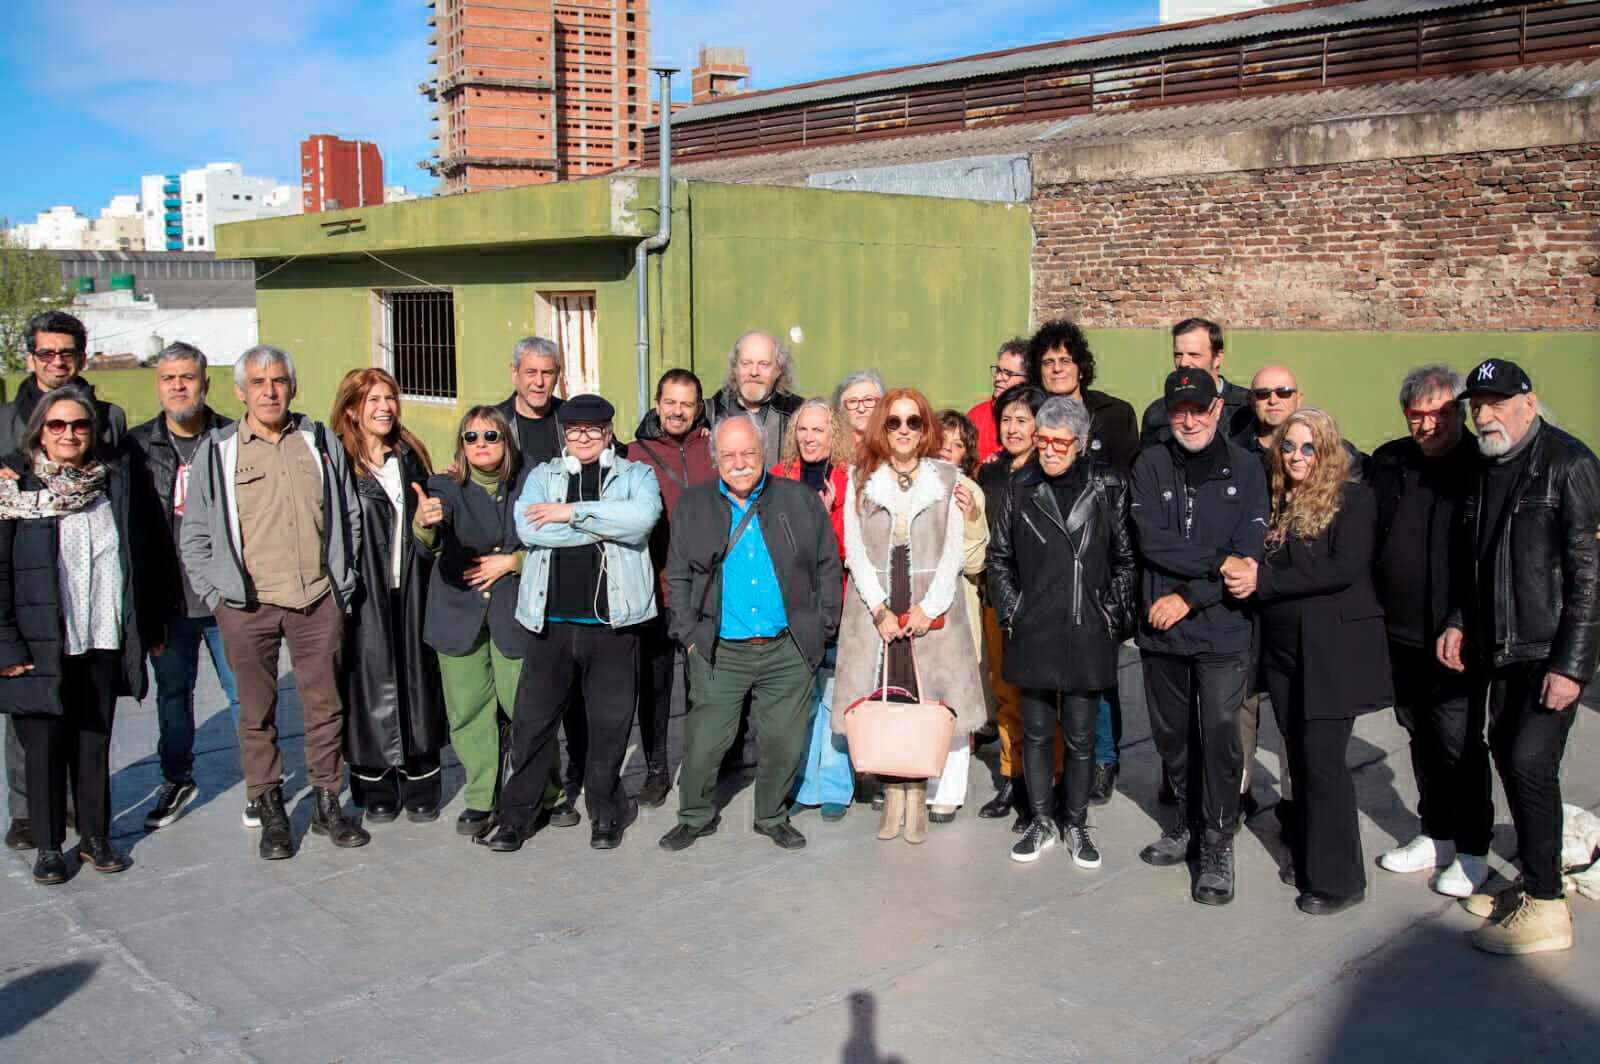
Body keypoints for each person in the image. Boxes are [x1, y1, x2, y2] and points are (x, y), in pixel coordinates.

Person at [179, 345, 369, 860]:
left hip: (316, 600)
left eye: (279, 380)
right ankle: (271, 810)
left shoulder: (318, 441)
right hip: (248, 606)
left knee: (325, 707)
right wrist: (218, 595)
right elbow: (194, 534)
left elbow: (347, 515)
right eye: (258, 382)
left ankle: (329, 803)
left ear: (292, 386)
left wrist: (341, 583)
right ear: (240, 391)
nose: (270, 390)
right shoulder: (217, 452)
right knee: (256, 713)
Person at [1441, 359, 1600, 956]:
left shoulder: (1570, 465)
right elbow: (1477, 558)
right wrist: (1459, 619)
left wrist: (1572, 665)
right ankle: (1537, 881)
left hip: (1549, 650)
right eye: (1478, 403)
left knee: (1530, 762)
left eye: (1499, 403)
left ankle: (1548, 909)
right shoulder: (1487, 466)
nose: (1486, 414)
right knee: (1509, 756)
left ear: (1529, 404)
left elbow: (1591, 577)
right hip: (1500, 647)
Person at [1223, 409, 1391, 915]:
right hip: (1284, 652)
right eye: (1290, 447)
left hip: (1331, 655)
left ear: (1328, 450)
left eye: (1308, 447)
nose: (1297, 457)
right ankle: (1310, 855)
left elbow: (1344, 569)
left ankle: (1340, 880)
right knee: (1300, 756)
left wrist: (1263, 582)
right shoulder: (1276, 499)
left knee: (1322, 763)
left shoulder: (1352, 499)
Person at [486, 395, 662, 853]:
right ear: (564, 433)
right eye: (575, 430)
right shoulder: (543, 476)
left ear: (608, 432)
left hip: (613, 626)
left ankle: (607, 812)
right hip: (551, 625)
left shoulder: (635, 475)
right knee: (530, 726)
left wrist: (570, 513)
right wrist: (603, 521)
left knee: (609, 729)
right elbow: (529, 530)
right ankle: (515, 817)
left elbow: (641, 521)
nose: (583, 437)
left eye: (593, 429)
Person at [660, 415, 842, 852]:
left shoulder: (800, 501)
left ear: (764, 455)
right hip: (719, 648)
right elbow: (678, 575)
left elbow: (827, 567)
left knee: (782, 741)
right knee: (706, 742)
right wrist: (687, 634)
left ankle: (772, 815)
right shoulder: (694, 504)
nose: (740, 463)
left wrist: (823, 626)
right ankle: (695, 815)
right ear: (715, 459)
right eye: (729, 455)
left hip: (787, 648)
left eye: (749, 453)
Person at [0, 385, 157, 883]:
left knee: (94, 742)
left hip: (100, 637)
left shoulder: (110, 482)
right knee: (43, 748)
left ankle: (95, 836)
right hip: (40, 642)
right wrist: (5, 644)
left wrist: (140, 629)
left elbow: (136, 555)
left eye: (80, 424)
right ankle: (49, 846)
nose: (70, 434)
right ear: (40, 431)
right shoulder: (14, 487)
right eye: (58, 425)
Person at [1130, 369, 1268, 905]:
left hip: (1221, 629)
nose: (1187, 418)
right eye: (1177, 409)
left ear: (1216, 409)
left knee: (1217, 735)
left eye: (1197, 407)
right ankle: (1185, 823)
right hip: (1162, 634)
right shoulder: (1151, 462)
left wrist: (1190, 596)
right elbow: (1153, 541)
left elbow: (1248, 550)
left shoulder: (1247, 468)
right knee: (1171, 737)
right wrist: (1214, 564)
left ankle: (1216, 841)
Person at [988, 396, 1135, 868]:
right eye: (1042, 440)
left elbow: (1126, 560)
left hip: (1087, 626)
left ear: (1080, 443)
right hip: (1034, 626)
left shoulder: (1108, 484)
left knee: (1080, 736)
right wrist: (1013, 611)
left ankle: (1075, 823)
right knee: (1033, 732)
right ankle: (1041, 820)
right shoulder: (1020, 484)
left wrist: (1109, 612)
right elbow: (999, 558)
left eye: (1059, 442)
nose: (1049, 450)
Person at [834, 389, 986, 845]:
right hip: (878, 606)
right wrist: (880, 608)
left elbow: (953, 553)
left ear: (925, 429)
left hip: (931, 606)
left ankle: (925, 794)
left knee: (935, 700)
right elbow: (855, 551)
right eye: (895, 422)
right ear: (882, 426)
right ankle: (894, 790)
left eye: (913, 422)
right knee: (887, 698)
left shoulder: (947, 477)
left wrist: (928, 608)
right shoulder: (860, 478)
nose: (903, 430)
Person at [1, 311, 129, 852]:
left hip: (95, 623)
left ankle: (89, 824)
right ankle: (34, 818)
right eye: (46, 353)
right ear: (30, 357)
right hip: (36, 612)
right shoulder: (6, 420)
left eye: (67, 352)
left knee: (89, 729)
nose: (57, 362)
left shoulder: (108, 421)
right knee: (32, 729)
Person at [414, 407, 567, 838]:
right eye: (471, 436)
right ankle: (482, 797)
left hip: (514, 610)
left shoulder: (531, 481)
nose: (480, 443)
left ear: (507, 441)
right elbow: (432, 536)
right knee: (468, 711)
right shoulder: (443, 486)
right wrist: (424, 524)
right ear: (461, 445)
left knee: (528, 708)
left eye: (491, 436)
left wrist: (513, 561)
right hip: (457, 613)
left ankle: (548, 793)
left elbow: (553, 541)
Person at [1368, 365, 1489, 897]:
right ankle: (1435, 832)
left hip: (1455, 635)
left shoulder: (1481, 467)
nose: (1428, 426)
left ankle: (1473, 846)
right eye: (1417, 416)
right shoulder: (1392, 461)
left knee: (1458, 741)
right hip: (1400, 633)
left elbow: (1487, 557)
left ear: (1458, 412)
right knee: (1418, 732)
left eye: (1439, 414)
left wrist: (1463, 620)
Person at [122, 342, 240, 831]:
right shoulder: (135, 446)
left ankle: (262, 784)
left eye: (187, 377)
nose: (177, 386)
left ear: (204, 381)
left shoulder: (234, 437)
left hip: (227, 595)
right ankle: (177, 778)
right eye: (168, 377)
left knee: (245, 695)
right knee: (174, 695)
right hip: (168, 599)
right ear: (158, 384)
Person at [1026, 319, 1139, 804]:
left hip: (1095, 558)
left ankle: (1104, 759)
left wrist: (1116, 592)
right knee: (1048, 678)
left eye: (1064, 360)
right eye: (1048, 361)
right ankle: (1058, 762)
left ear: (1080, 366)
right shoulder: (1027, 411)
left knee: (1096, 673)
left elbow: (1125, 488)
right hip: (1046, 559)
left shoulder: (1113, 415)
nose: (1056, 368)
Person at [329, 369, 448, 823]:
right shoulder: (339, 460)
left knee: (417, 679)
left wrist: (432, 521)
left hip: (412, 582)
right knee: (366, 682)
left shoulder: (410, 454)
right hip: (364, 591)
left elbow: (427, 518)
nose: (384, 407)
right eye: (373, 399)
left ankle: (421, 773)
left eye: (390, 398)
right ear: (352, 410)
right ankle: (374, 777)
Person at [493, 336, 591, 799]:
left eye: (546, 373)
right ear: (514, 373)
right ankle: (521, 777)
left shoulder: (572, 422)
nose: (538, 381)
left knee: (576, 684)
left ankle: (579, 771)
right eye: (530, 372)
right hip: (513, 568)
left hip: (571, 563)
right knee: (526, 685)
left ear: (558, 376)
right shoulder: (493, 423)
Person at [629, 368, 718, 807]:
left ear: (698, 407)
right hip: (654, 588)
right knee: (656, 686)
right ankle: (657, 769)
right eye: (670, 402)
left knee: (706, 684)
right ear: (657, 404)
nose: (677, 411)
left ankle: (706, 765)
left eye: (686, 403)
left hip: (705, 590)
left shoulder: (715, 447)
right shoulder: (634, 453)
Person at [974, 384, 1058, 827]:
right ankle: (1011, 776)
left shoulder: (1053, 473)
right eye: (1006, 420)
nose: (1012, 428)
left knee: (1042, 698)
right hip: (996, 598)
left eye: (1022, 419)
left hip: (1040, 605)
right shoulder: (990, 473)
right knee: (1005, 693)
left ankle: (1046, 784)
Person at [772, 399, 853, 820]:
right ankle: (801, 782)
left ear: (833, 433)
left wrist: (823, 521)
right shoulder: (778, 479)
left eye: (818, 430)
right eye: (802, 429)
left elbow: (849, 551)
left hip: (833, 604)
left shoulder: (850, 481)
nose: (808, 437)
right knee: (796, 700)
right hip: (787, 608)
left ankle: (836, 785)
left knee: (834, 697)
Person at [931, 408, 990, 822]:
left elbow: (975, 564)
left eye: (958, 447)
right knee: (920, 697)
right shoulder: (910, 486)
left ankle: (949, 789)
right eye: (942, 443)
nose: (948, 453)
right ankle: (917, 777)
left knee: (954, 700)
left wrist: (970, 518)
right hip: (916, 610)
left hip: (956, 609)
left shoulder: (971, 491)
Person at [1139, 318, 1254, 448]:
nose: (1183, 363)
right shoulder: (1157, 412)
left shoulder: (1248, 406)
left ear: (1217, 358)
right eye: (1178, 355)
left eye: (1194, 355)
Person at [706, 331, 804, 469]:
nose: (754, 372)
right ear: (735, 369)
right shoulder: (711, 411)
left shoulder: (798, 412)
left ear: (779, 370)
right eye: (746, 363)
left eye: (763, 364)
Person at [966, 338, 1029, 464]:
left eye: (1008, 373)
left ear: (1028, 379)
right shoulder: (976, 415)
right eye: (998, 371)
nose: (999, 378)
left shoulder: (1036, 417)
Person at [834, 370, 886, 457]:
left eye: (869, 400)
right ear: (841, 408)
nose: (861, 409)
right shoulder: (831, 450)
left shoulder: (894, 446)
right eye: (853, 401)